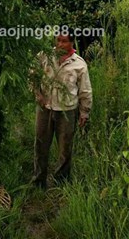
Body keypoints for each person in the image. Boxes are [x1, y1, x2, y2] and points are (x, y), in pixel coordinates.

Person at [31, 29, 92, 189]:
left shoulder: (79, 64)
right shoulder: (44, 56)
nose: (59, 44)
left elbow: (85, 90)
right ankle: (39, 180)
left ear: (72, 42)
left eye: (64, 41)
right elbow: (33, 75)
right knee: (40, 144)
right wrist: (38, 95)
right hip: (45, 108)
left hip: (67, 110)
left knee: (65, 147)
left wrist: (84, 112)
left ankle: (60, 181)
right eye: (57, 40)